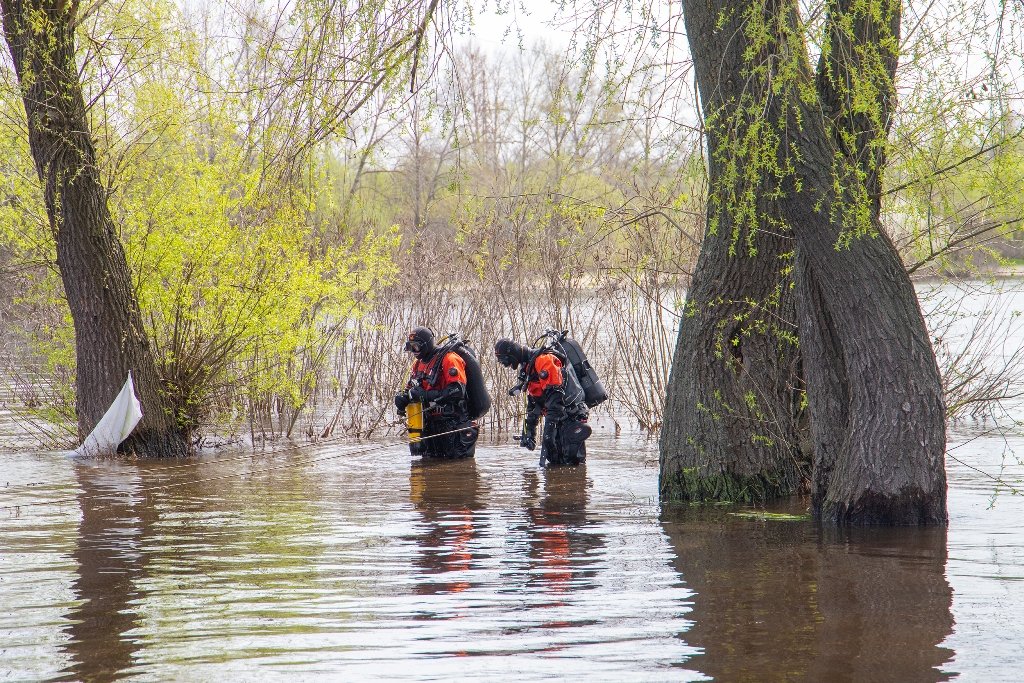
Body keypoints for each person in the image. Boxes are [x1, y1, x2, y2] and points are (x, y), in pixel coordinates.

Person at [494, 337, 591, 466]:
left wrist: (548, 433)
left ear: (513, 353)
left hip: (570, 417)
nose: (506, 365)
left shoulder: (544, 360)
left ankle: (575, 483)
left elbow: (555, 398)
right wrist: (530, 431)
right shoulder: (528, 367)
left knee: (572, 463)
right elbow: (535, 402)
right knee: (554, 463)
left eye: (505, 360)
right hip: (558, 420)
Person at [395, 327, 478, 459]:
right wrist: (403, 398)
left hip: (454, 425)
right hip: (431, 426)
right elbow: (412, 388)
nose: (414, 351)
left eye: (416, 346)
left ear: (426, 344)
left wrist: (425, 396)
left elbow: (457, 391)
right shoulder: (417, 364)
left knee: (458, 470)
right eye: (411, 347)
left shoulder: (450, 359)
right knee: (428, 469)